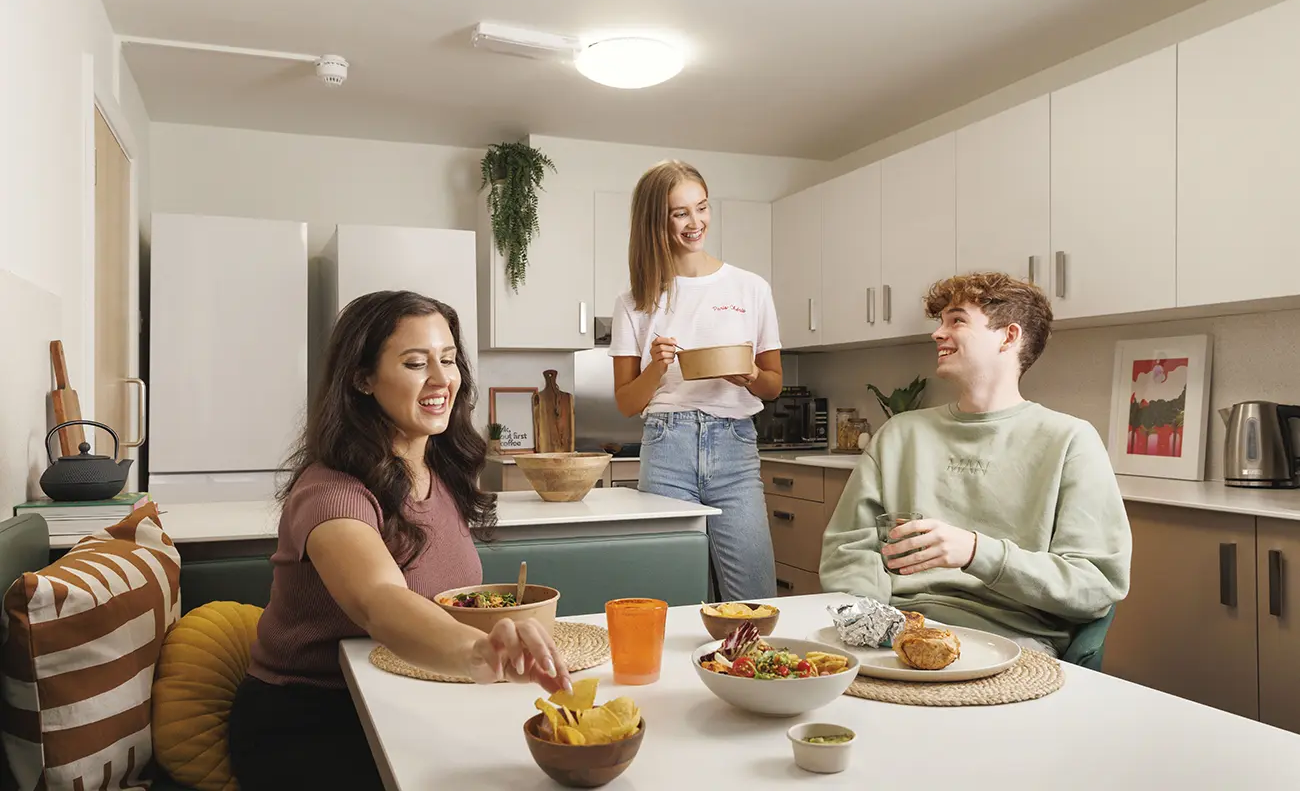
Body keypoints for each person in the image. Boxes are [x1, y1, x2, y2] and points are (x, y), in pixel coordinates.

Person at [228, 291, 571, 791]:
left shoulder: (441, 472)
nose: (441, 379)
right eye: (415, 363)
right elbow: (380, 601)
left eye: (449, 360)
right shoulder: (331, 491)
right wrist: (481, 653)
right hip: (314, 720)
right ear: (362, 378)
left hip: (411, 693)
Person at [819, 271, 1131, 656]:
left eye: (957, 320)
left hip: (1011, 641)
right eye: (940, 321)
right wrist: (878, 625)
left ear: (1008, 336)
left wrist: (975, 552)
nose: (937, 333)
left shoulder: (1070, 441)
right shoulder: (900, 434)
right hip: (896, 629)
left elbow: (1094, 586)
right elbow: (847, 549)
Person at [610, 159, 782, 602]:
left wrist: (749, 377)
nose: (695, 222)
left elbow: (773, 384)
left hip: (735, 446)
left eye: (701, 208)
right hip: (668, 446)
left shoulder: (751, 288)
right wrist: (656, 367)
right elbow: (627, 402)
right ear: (656, 220)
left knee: (754, 598)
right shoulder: (635, 300)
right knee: (670, 598)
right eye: (679, 212)